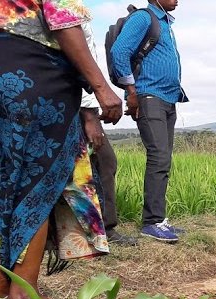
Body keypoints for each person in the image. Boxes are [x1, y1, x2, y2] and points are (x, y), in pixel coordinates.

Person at [0, 0, 122, 299]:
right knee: (40, 183)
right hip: (35, 72)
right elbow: (65, 22)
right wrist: (101, 89)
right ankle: (20, 291)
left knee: (0, 179)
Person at [110, 0, 189, 243]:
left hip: (167, 98)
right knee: (159, 156)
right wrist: (131, 92)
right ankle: (152, 222)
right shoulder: (144, 18)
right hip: (148, 96)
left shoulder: (165, 22)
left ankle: (159, 219)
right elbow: (119, 51)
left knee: (163, 158)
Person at [82, 22, 136, 246]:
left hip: (80, 104)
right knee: (103, 162)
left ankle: (102, 228)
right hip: (72, 106)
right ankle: (102, 229)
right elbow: (75, 66)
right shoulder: (64, 10)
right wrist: (89, 114)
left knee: (103, 163)